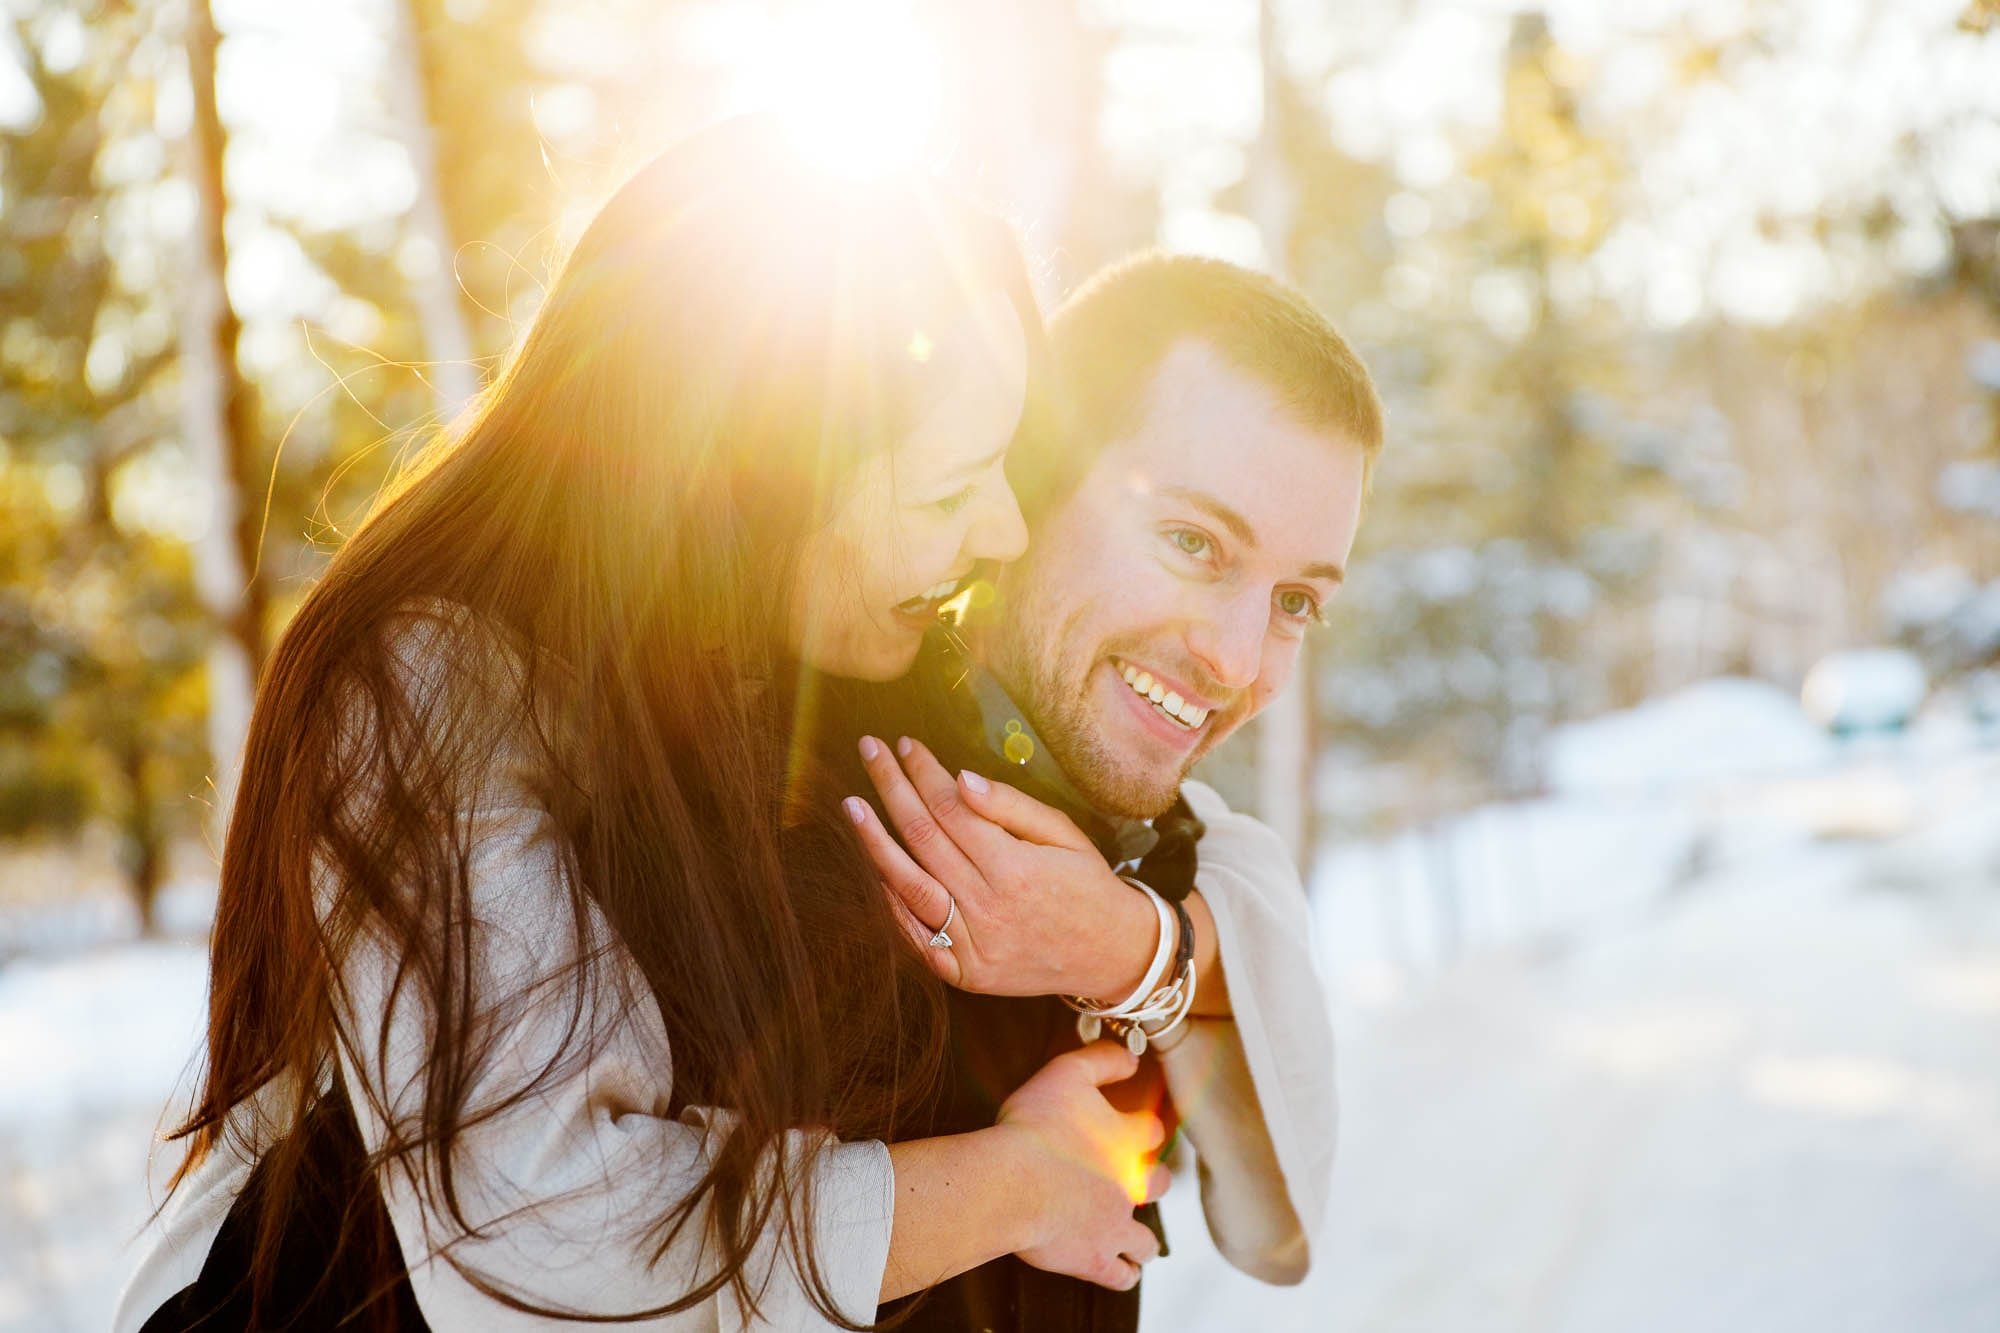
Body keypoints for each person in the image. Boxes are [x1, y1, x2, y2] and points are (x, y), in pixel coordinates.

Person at [116, 119, 1173, 1333]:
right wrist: (1010, 1186)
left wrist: (1136, 952)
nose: (997, 532)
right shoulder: (428, 685)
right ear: (746, 477)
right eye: (945, 486)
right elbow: (551, 1240)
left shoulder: (777, 656)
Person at [833, 253, 1384, 1331]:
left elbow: (1277, 1228)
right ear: (1029, 485)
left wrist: (1132, 956)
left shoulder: (1183, 857)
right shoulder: (794, 788)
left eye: (1293, 603)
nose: (1235, 660)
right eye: (1191, 543)